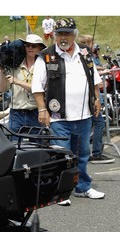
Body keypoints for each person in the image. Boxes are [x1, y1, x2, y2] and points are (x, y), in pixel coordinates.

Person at [32, 17, 105, 203]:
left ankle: (83, 187)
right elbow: (37, 87)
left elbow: (94, 80)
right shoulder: (45, 56)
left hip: (84, 115)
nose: (64, 37)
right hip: (58, 117)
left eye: (67, 33)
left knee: (81, 155)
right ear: (55, 35)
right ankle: (60, 191)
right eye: (60, 34)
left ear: (74, 35)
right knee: (62, 155)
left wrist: (96, 99)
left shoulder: (85, 53)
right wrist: (42, 110)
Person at [0, 34, 46, 134]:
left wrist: (18, 82)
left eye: (34, 46)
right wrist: (2, 71)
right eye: (27, 45)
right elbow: (2, 89)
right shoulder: (14, 65)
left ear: (40, 47)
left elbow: (40, 89)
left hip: (36, 111)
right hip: (16, 112)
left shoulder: (43, 66)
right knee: (14, 146)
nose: (30, 48)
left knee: (38, 146)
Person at [83, 35, 115, 164]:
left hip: (89, 96)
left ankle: (86, 153)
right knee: (98, 123)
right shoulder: (84, 55)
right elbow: (91, 70)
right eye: (92, 43)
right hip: (88, 96)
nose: (94, 45)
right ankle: (96, 153)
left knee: (88, 125)